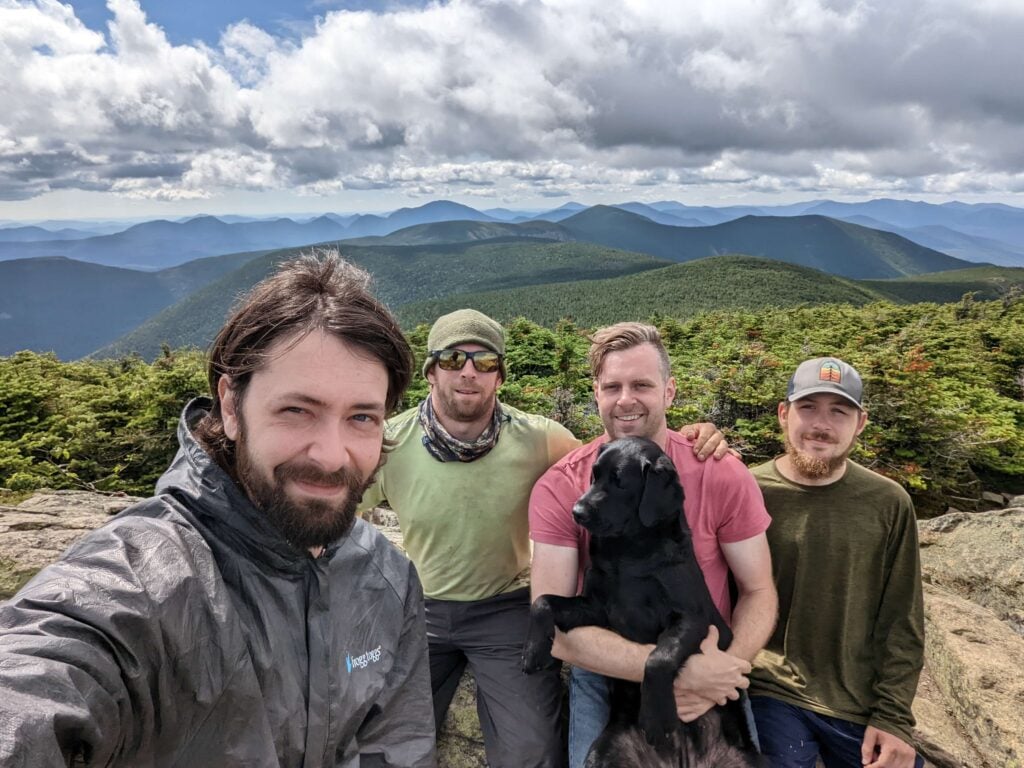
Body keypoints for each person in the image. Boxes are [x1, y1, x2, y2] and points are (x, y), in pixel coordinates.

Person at [0, 254, 436, 767]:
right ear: (230, 406)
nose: (331, 454)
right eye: (297, 410)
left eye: (361, 417)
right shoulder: (145, 581)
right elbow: (37, 683)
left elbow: (395, 748)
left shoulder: (387, 577)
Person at [360, 310, 728, 768]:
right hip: (419, 608)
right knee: (378, 735)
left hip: (504, 609)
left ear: (500, 376)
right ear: (431, 371)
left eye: (485, 361)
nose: (469, 372)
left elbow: (615, 462)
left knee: (530, 751)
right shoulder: (389, 443)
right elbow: (335, 515)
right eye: (453, 358)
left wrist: (694, 434)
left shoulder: (542, 439)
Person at [529, 322, 777, 768]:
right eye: (613, 386)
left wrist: (724, 670)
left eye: (642, 384)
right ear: (596, 393)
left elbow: (759, 590)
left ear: (669, 391)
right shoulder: (561, 486)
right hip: (609, 673)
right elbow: (561, 638)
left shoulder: (720, 471)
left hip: (712, 663)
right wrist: (672, 671)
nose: (626, 399)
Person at [748, 357, 925, 768]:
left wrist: (895, 719)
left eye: (839, 411)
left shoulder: (888, 502)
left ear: (860, 422)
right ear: (783, 413)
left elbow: (903, 618)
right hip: (770, 688)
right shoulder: (747, 489)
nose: (821, 425)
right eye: (808, 407)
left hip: (857, 703)